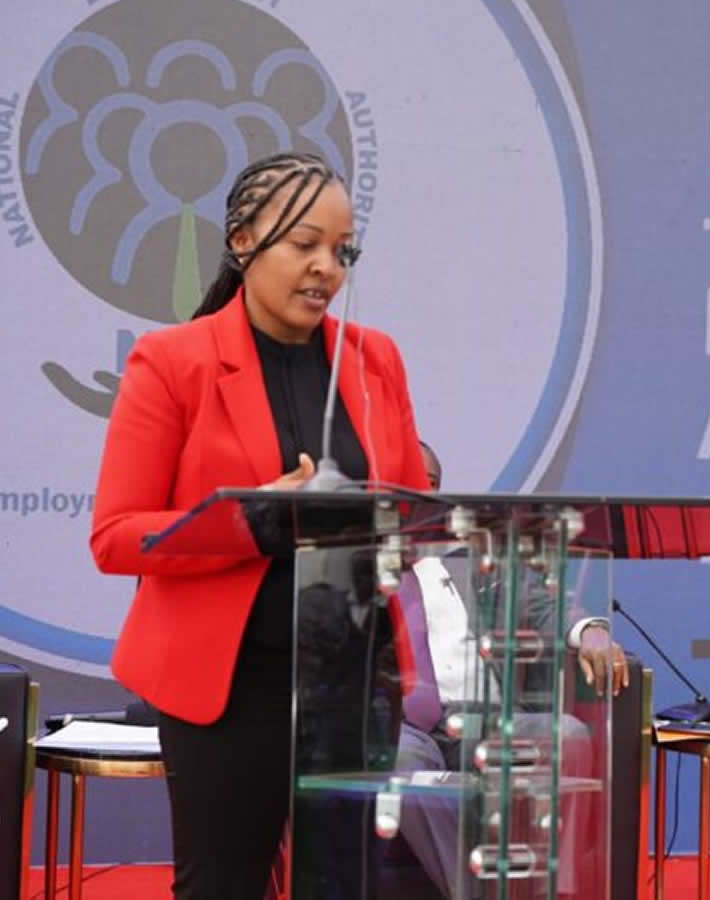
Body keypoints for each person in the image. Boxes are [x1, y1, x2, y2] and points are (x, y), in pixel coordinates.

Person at [90, 151, 430, 899]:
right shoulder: (172, 361)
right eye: (304, 244)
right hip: (232, 685)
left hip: (355, 676)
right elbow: (116, 536)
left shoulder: (375, 360)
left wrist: (393, 525)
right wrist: (254, 517)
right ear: (242, 241)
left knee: (347, 886)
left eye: (341, 251)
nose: (325, 268)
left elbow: (408, 510)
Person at [393, 441, 628, 899]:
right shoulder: (358, 566)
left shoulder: (473, 561)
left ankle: (551, 890)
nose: (417, 492)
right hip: (405, 726)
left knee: (566, 735)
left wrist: (590, 631)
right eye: (405, 482)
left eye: (429, 483)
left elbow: (539, 604)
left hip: (486, 719)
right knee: (398, 762)